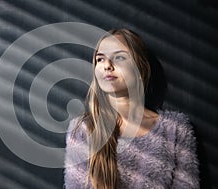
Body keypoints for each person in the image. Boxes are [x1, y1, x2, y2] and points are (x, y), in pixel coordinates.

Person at [64, 29, 199, 189]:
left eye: (119, 57)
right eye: (100, 59)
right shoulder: (83, 128)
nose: (107, 65)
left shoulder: (176, 129)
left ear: (140, 69)